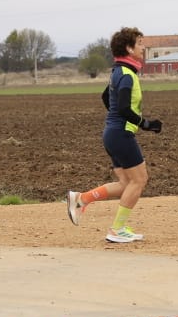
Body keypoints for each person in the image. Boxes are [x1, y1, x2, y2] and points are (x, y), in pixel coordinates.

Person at [66, 26, 163, 243]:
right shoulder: (127, 75)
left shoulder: (118, 72)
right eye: (139, 43)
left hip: (112, 134)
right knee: (139, 181)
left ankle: (81, 199)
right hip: (120, 135)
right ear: (128, 48)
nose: (143, 47)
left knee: (125, 184)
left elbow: (105, 97)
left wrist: (115, 122)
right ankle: (117, 230)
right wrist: (146, 124)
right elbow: (122, 108)